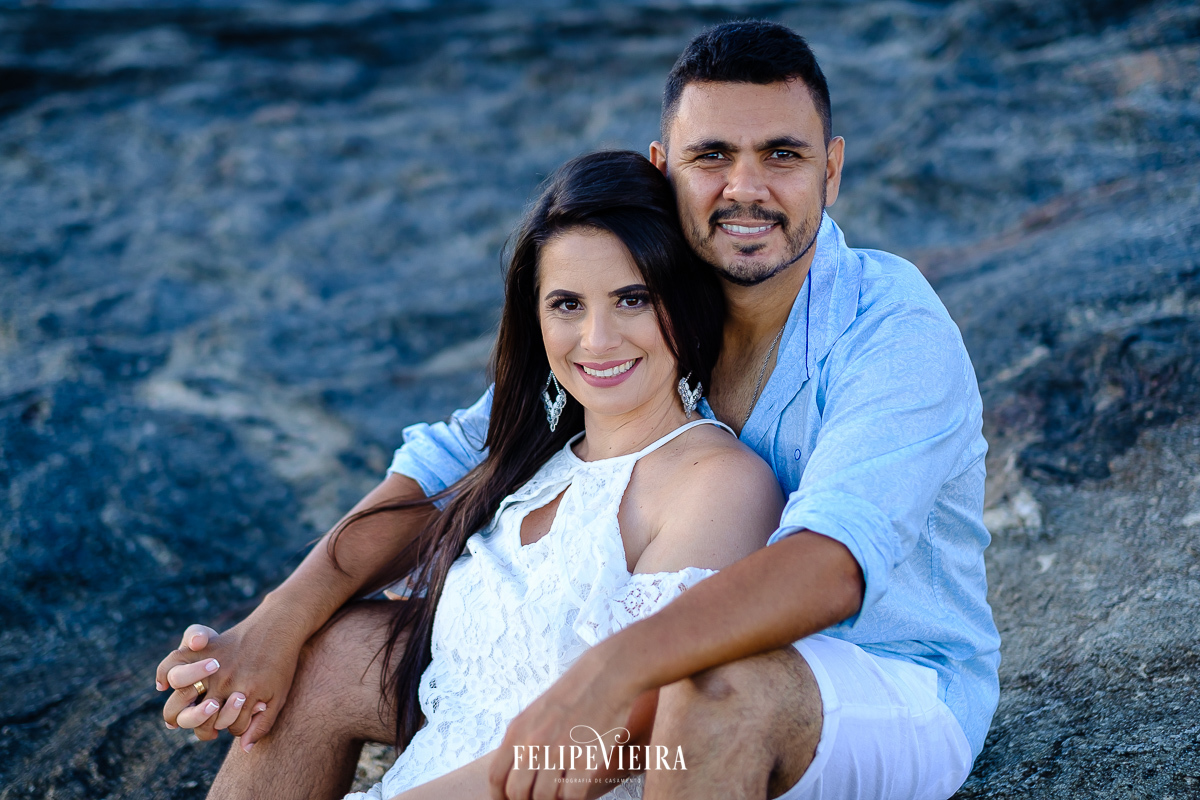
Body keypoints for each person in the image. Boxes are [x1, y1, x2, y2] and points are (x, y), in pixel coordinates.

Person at [157, 20, 1000, 800]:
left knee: (707, 687)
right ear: (664, 167)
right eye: (711, 155)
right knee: (336, 646)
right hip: (657, 642)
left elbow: (832, 566)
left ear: (832, 168)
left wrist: (613, 670)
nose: (746, 188)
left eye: (782, 154)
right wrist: (277, 622)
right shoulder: (649, 298)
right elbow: (451, 463)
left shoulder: (889, 326)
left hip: (881, 675)